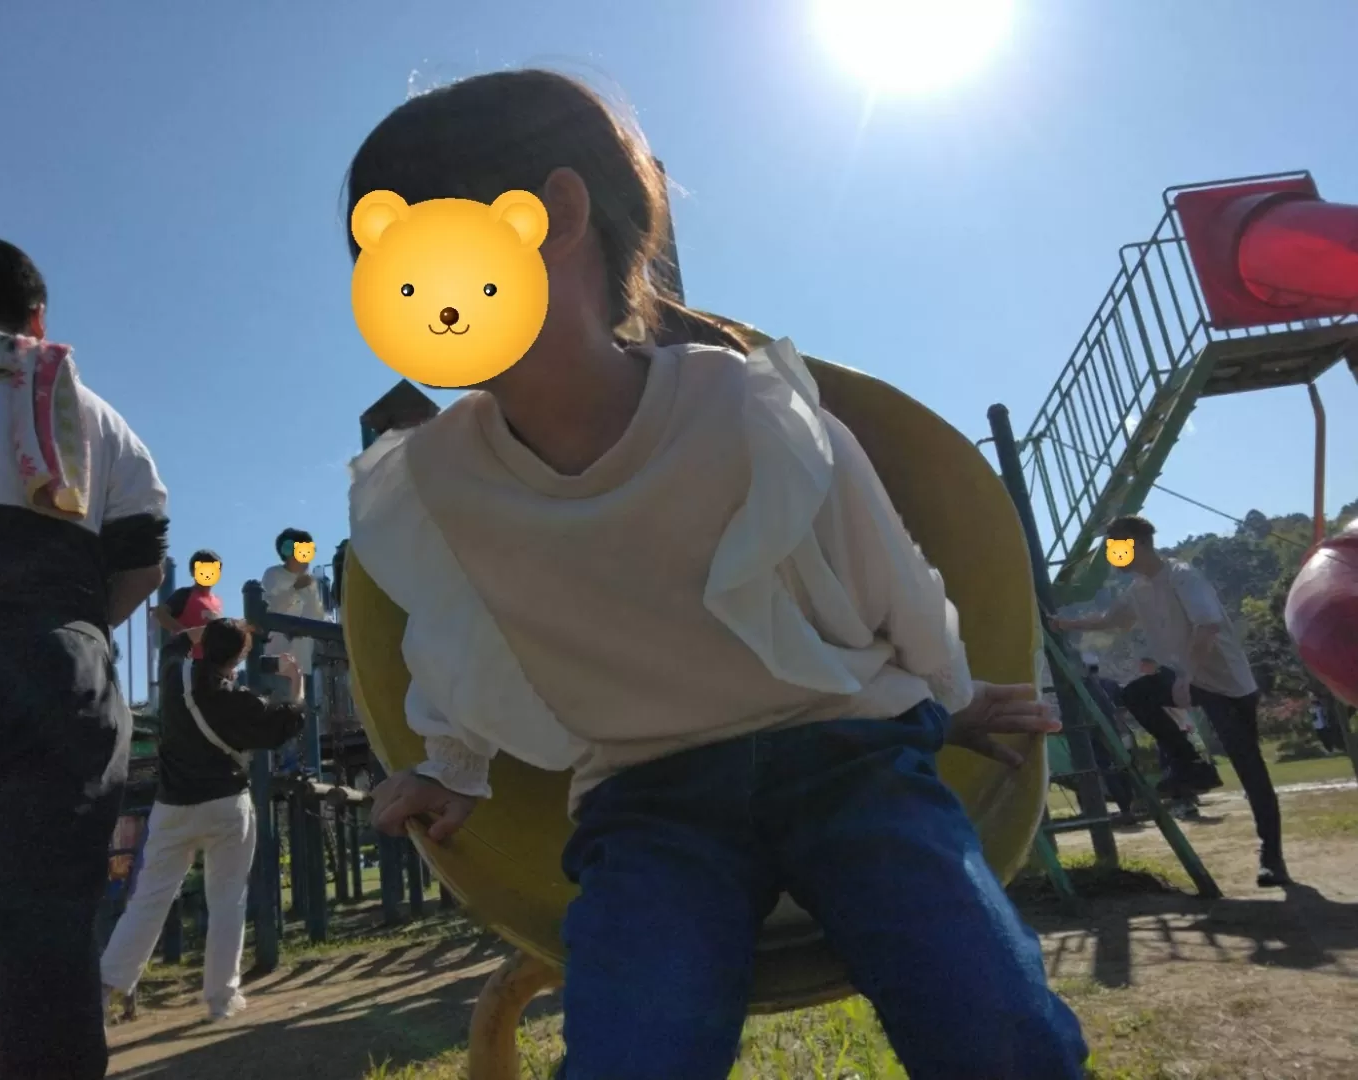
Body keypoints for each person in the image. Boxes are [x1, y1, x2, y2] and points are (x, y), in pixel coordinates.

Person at [346, 70, 1088, 1079]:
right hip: (647, 803)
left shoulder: (738, 405)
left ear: (555, 215)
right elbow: (457, 632)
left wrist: (950, 695)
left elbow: (883, 572)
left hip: (847, 754)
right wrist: (449, 768)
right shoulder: (436, 482)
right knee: (632, 1053)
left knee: (991, 1023)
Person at [0, 236, 169, 1079]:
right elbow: (143, 562)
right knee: (49, 931)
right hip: (57, 680)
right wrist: (75, 633)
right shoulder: (94, 418)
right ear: (37, 316)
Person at [1053, 515, 1288, 887]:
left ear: (1139, 543)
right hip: (1186, 678)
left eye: (1118, 546)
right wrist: (1062, 624)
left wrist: (1186, 676)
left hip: (1226, 685)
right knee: (1137, 693)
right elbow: (1112, 620)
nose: (1114, 554)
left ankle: (1272, 857)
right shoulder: (1138, 589)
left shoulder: (1182, 576)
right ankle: (1190, 763)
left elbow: (1207, 627)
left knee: (1249, 768)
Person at [100, 619, 305, 1021]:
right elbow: (286, 723)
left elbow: (172, 646)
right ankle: (221, 1000)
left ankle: (105, 987)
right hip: (227, 804)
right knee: (228, 900)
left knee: (148, 900)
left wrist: (204, 629)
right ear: (239, 658)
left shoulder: (174, 677)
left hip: (173, 806)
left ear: (203, 644)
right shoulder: (240, 701)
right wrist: (295, 683)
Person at [260, 527, 327, 688]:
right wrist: (295, 589)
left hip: (304, 664)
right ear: (288, 552)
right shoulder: (273, 575)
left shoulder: (311, 583)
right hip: (278, 662)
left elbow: (317, 615)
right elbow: (271, 609)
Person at [1084, 658, 1137, 824]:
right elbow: (1122, 709)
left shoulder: (1082, 687)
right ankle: (1129, 808)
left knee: (1107, 770)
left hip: (1096, 734)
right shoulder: (1110, 684)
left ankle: (1124, 810)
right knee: (1124, 768)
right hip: (1120, 731)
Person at [154, 548, 224, 672]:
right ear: (193, 572)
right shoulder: (185, 594)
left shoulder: (218, 602)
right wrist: (185, 633)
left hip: (211, 667)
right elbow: (161, 613)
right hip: (188, 665)